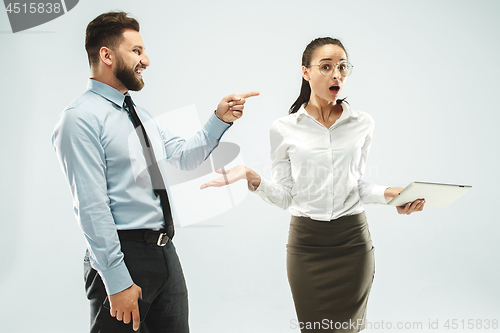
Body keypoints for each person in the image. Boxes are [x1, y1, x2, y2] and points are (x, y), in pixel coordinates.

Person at [52, 11, 258, 333]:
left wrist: (220, 119)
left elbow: (182, 158)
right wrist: (117, 281)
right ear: (106, 55)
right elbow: (92, 207)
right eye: (136, 51)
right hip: (123, 256)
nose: (145, 60)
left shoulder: (140, 114)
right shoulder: (80, 119)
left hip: (165, 254)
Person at [201, 37, 424, 332]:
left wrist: (390, 194)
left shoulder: (362, 123)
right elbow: (285, 196)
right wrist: (251, 177)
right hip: (307, 246)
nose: (337, 74)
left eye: (343, 67)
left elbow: (355, 185)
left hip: (352, 242)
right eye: (327, 66)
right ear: (306, 72)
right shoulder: (284, 128)